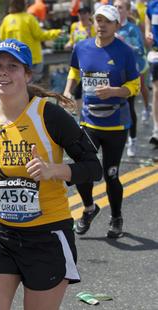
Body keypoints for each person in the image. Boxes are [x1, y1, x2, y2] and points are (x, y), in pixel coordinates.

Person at [0, 39, 102, 310]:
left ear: (27, 74)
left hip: (46, 236)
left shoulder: (49, 116)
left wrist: (55, 170)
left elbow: (93, 167)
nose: (3, 72)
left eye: (12, 66)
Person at [64, 5, 140, 238]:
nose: (101, 25)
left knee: (111, 174)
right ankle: (89, 208)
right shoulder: (82, 47)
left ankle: (116, 217)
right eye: (98, 20)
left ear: (117, 25)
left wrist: (115, 92)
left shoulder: (125, 51)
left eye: (107, 21)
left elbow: (135, 85)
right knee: (82, 170)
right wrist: (68, 91)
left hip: (116, 124)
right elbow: (75, 71)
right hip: (89, 122)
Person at [114, 0, 149, 157]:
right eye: (115, 7)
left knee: (129, 107)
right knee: (113, 108)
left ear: (128, 11)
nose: (117, 9)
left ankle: (133, 140)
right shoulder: (109, 26)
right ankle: (115, 141)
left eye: (120, 7)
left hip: (130, 75)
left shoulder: (132, 29)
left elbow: (140, 51)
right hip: (113, 74)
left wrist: (123, 43)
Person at [0, 0, 62, 83]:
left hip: (14, 59)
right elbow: (40, 35)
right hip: (32, 59)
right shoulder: (29, 18)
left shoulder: (6, 20)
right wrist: (57, 32)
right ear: (24, 5)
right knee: (30, 85)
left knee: (17, 84)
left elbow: (2, 39)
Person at [64, 6, 95, 115]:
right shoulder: (74, 26)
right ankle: (79, 114)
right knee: (77, 89)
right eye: (80, 13)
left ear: (89, 15)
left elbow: (95, 43)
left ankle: (85, 113)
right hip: (76, 59)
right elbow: (72, 40)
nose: (82, 16)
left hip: (88, 60)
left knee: (85, 88)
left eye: (84, 13)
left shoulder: (93, 27)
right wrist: (68, 44)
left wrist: (89, 33)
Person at [145, 0, 158, 147]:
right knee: (156, 91)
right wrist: (148, 32)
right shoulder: (152, 4)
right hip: (157, 52)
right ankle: (156, 129)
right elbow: (148, 19)